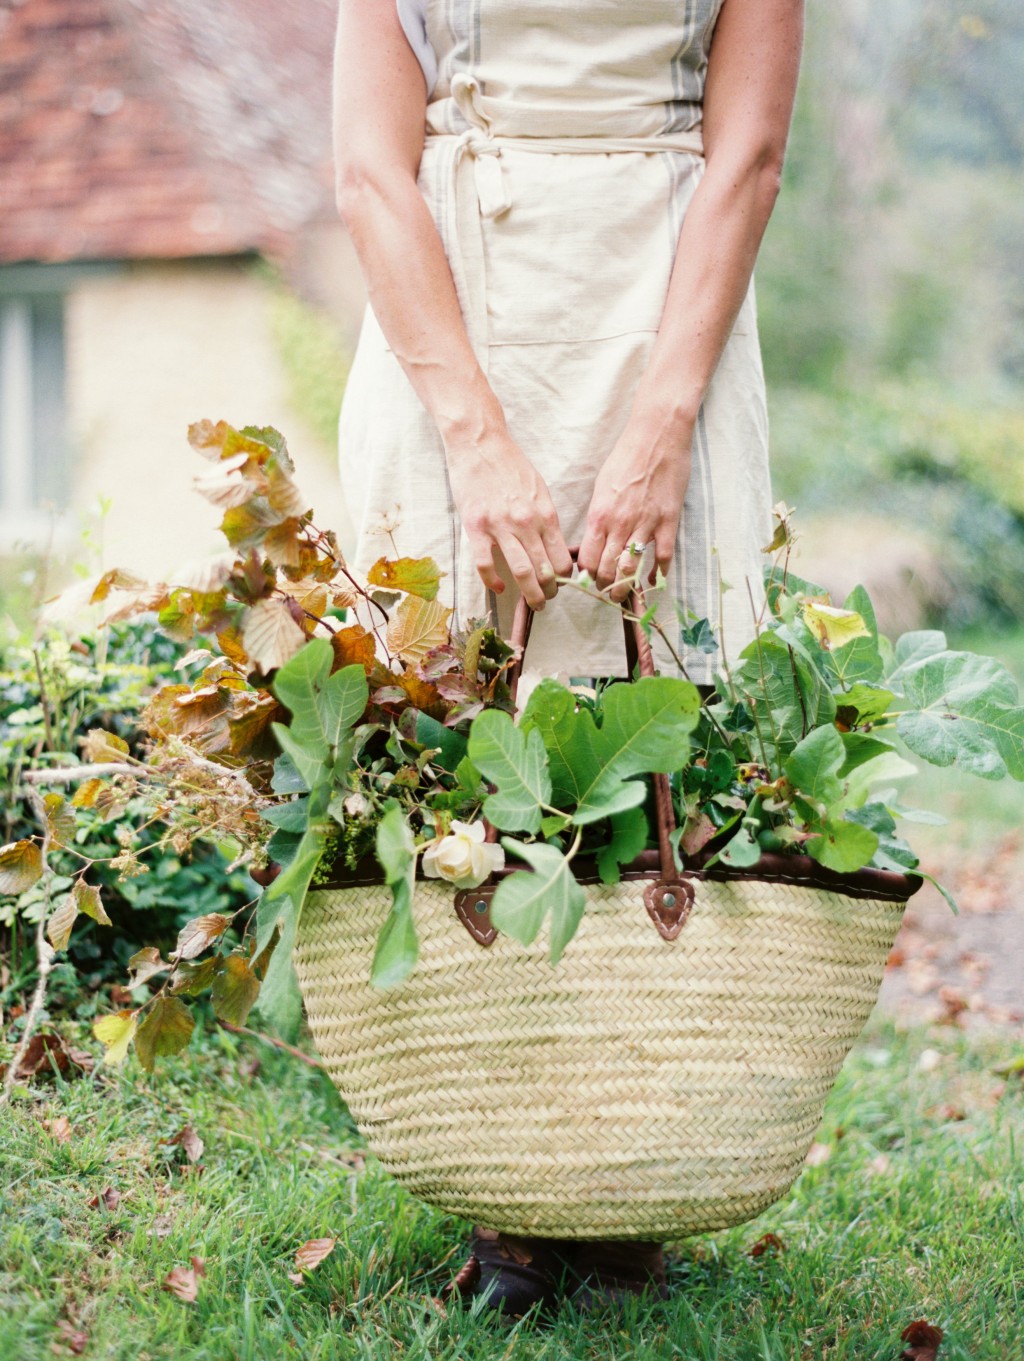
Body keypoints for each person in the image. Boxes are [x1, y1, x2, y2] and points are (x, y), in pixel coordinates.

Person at [331, 0, 803, 1314]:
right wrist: (475, 436)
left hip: (666, 314)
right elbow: (369, 162)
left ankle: (623, 1174)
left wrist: (663, 421)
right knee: (460, 743)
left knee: (655, 728)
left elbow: (751, 152)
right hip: (453, 308)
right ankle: (506, 1193)